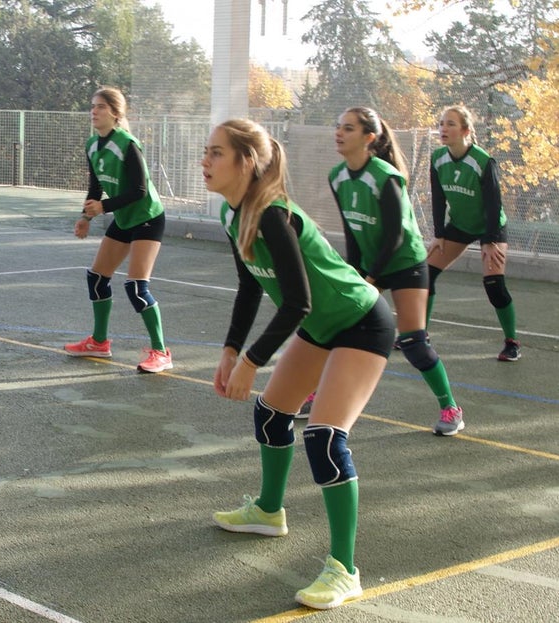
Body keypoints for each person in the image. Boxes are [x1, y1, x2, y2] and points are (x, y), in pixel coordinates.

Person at [204, 119, 394, 610]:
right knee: (272, 414)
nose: (205, 161)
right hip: (325, 326)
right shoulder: (233, 214)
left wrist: (253, 361)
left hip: (361, 323)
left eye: (216, 153)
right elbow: (250, 285)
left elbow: (297, 303)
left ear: (246, 161)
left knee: (326, 439)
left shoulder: (274, 215)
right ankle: (268, 511)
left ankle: (344, 570)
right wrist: (230, 349)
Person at [330, 107, 463, 436]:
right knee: (335, 327)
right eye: (339, 127)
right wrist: (354, 274)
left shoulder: (385, 176)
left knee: (414, 342)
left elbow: (395, 235)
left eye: (348, 128)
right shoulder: (337, 177)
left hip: (405, 263)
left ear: (369, 138)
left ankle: (450, 408)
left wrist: (371, 279)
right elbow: (353, 233)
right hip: (371, 263)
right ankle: (318, 394)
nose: (339, 133)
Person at [65, 87, 172, 373]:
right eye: (92, 106)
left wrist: (104, 208)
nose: (94, 111)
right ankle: (99, 342)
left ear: (115, 113)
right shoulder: (92, 145)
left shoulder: (127, 143)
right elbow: (96, 186)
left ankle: (161, 352)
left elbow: (138, 190)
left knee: (136, 287)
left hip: (147, 217)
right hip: (124, 218)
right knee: (97, 278)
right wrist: (85, 216)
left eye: (100, 107)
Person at [428, 104, 520, 362]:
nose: (443, 128)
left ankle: (512, 342)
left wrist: (490, 240)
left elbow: (494, 203)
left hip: (491, 225)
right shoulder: (437, 158)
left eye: (451, 124)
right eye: (442, 123)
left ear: (466, 130)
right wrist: (439, 234)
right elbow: (438, 199)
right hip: (460, 225)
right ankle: (418, 336)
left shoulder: (482, 161)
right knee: (425, 274)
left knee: (493, 285)